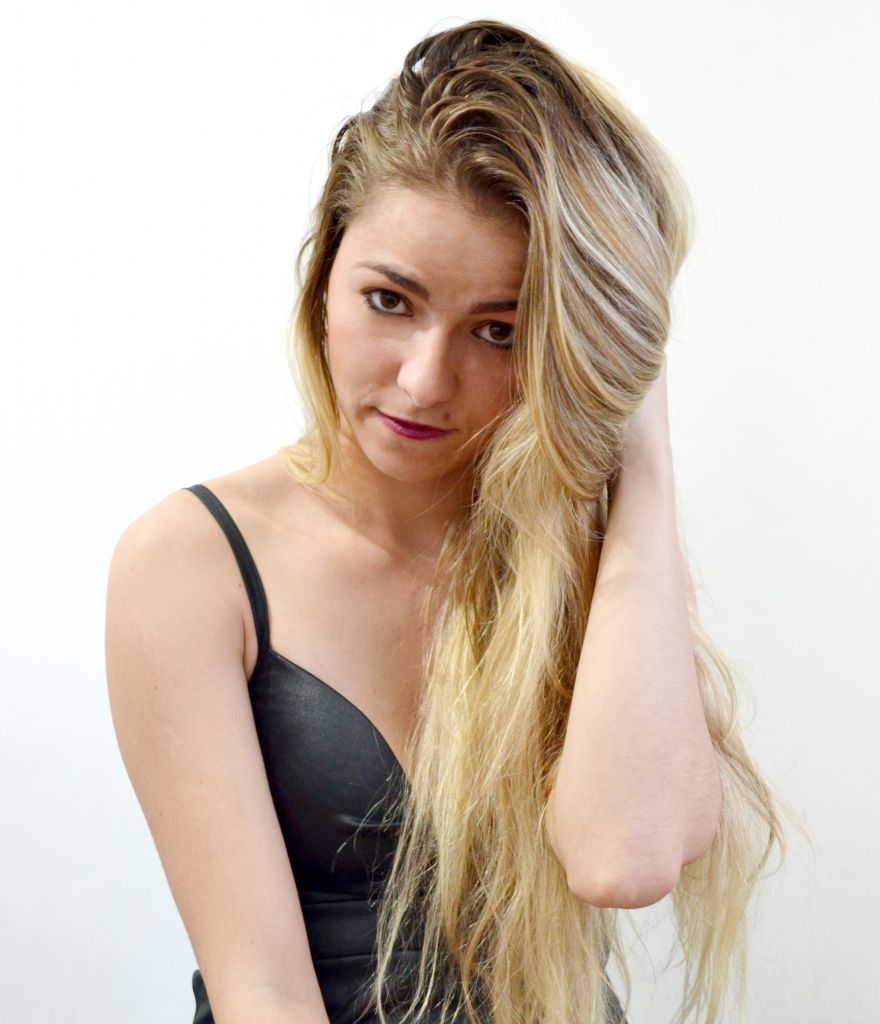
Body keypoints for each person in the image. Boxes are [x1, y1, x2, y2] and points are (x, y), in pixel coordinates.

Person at [105, 18, 806, 1024]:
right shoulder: (191, 561)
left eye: (499, 330)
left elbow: (622, 856)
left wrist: (638, 450)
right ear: (324, 279)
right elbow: (260, 991)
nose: (426, 380)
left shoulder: (584, 558)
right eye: (390, 301)